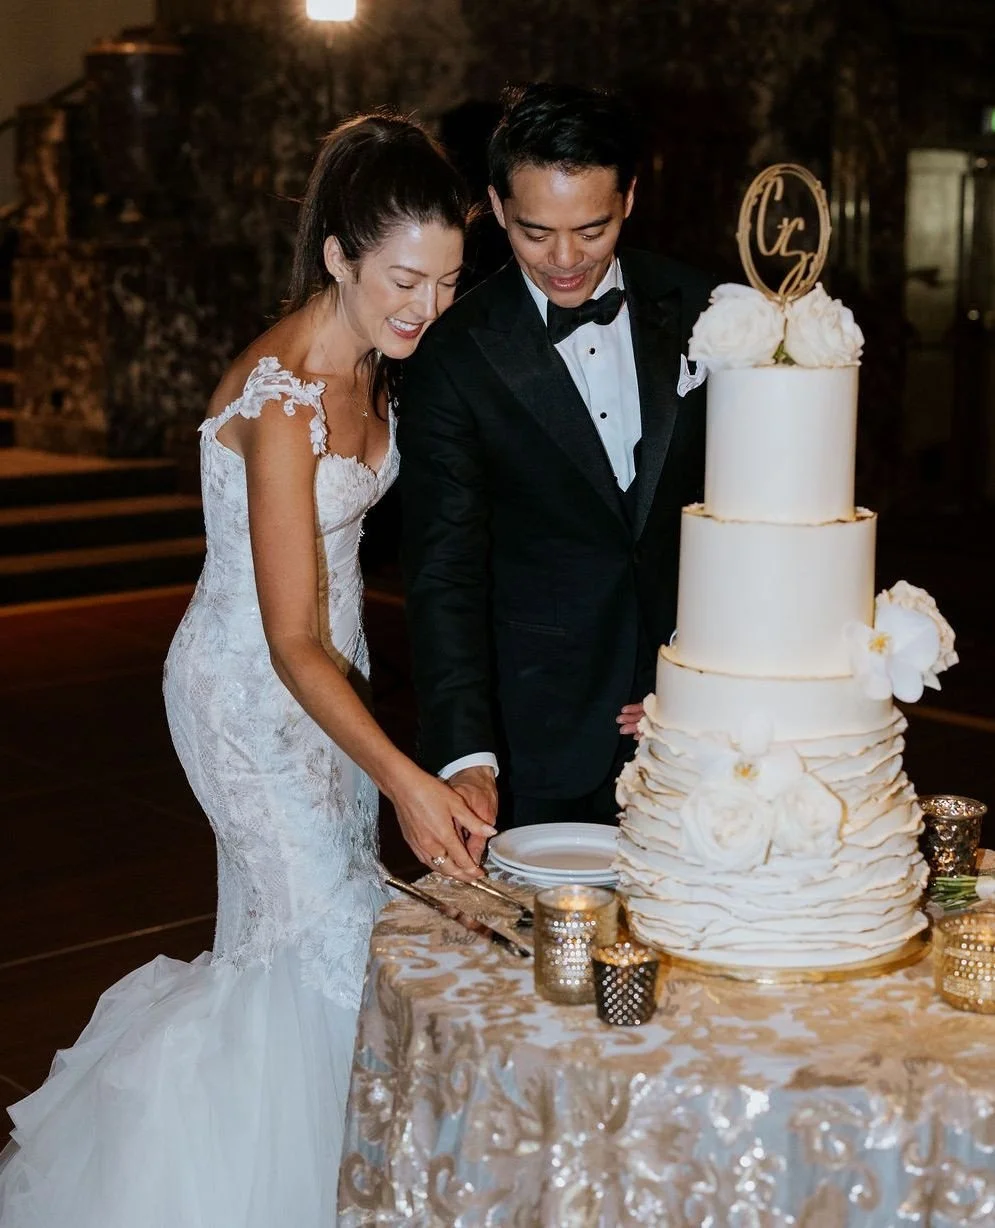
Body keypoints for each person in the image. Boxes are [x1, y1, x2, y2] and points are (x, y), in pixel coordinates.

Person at [0, 113, 491, 1228]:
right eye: (402, 279)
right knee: (322, 946)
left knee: (304, 938)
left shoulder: (377, 354)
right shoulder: (281, 395)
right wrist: (411, 778)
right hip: (250, 696)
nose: (423, 305)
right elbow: (285, 638)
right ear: (336, 255)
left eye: (446, 280)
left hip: (331, 686)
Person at [400, 83, 713, 839]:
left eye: (592, 228)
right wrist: (464, 753)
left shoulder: (706, 308)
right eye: (535, 232)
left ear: (629, 197)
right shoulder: (455, 354)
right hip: (536, 731)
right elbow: (444, 568)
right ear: (498, 208)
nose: (565, 260)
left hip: (700, 723)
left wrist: (713, 678)